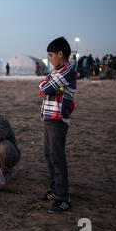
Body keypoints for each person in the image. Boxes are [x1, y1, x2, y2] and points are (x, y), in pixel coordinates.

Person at [38, 37, 76, 213]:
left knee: (57, 157)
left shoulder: (68, 70)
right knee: (48, 155)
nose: (50, 59)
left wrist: (49, 87)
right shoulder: (56, 70)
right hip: (48, 117)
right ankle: (54, 190)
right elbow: (43, 86)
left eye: (51, 55)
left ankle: (63, 198)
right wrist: (50, 87)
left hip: (58, 118)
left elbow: (45, 88)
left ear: (61, 54)